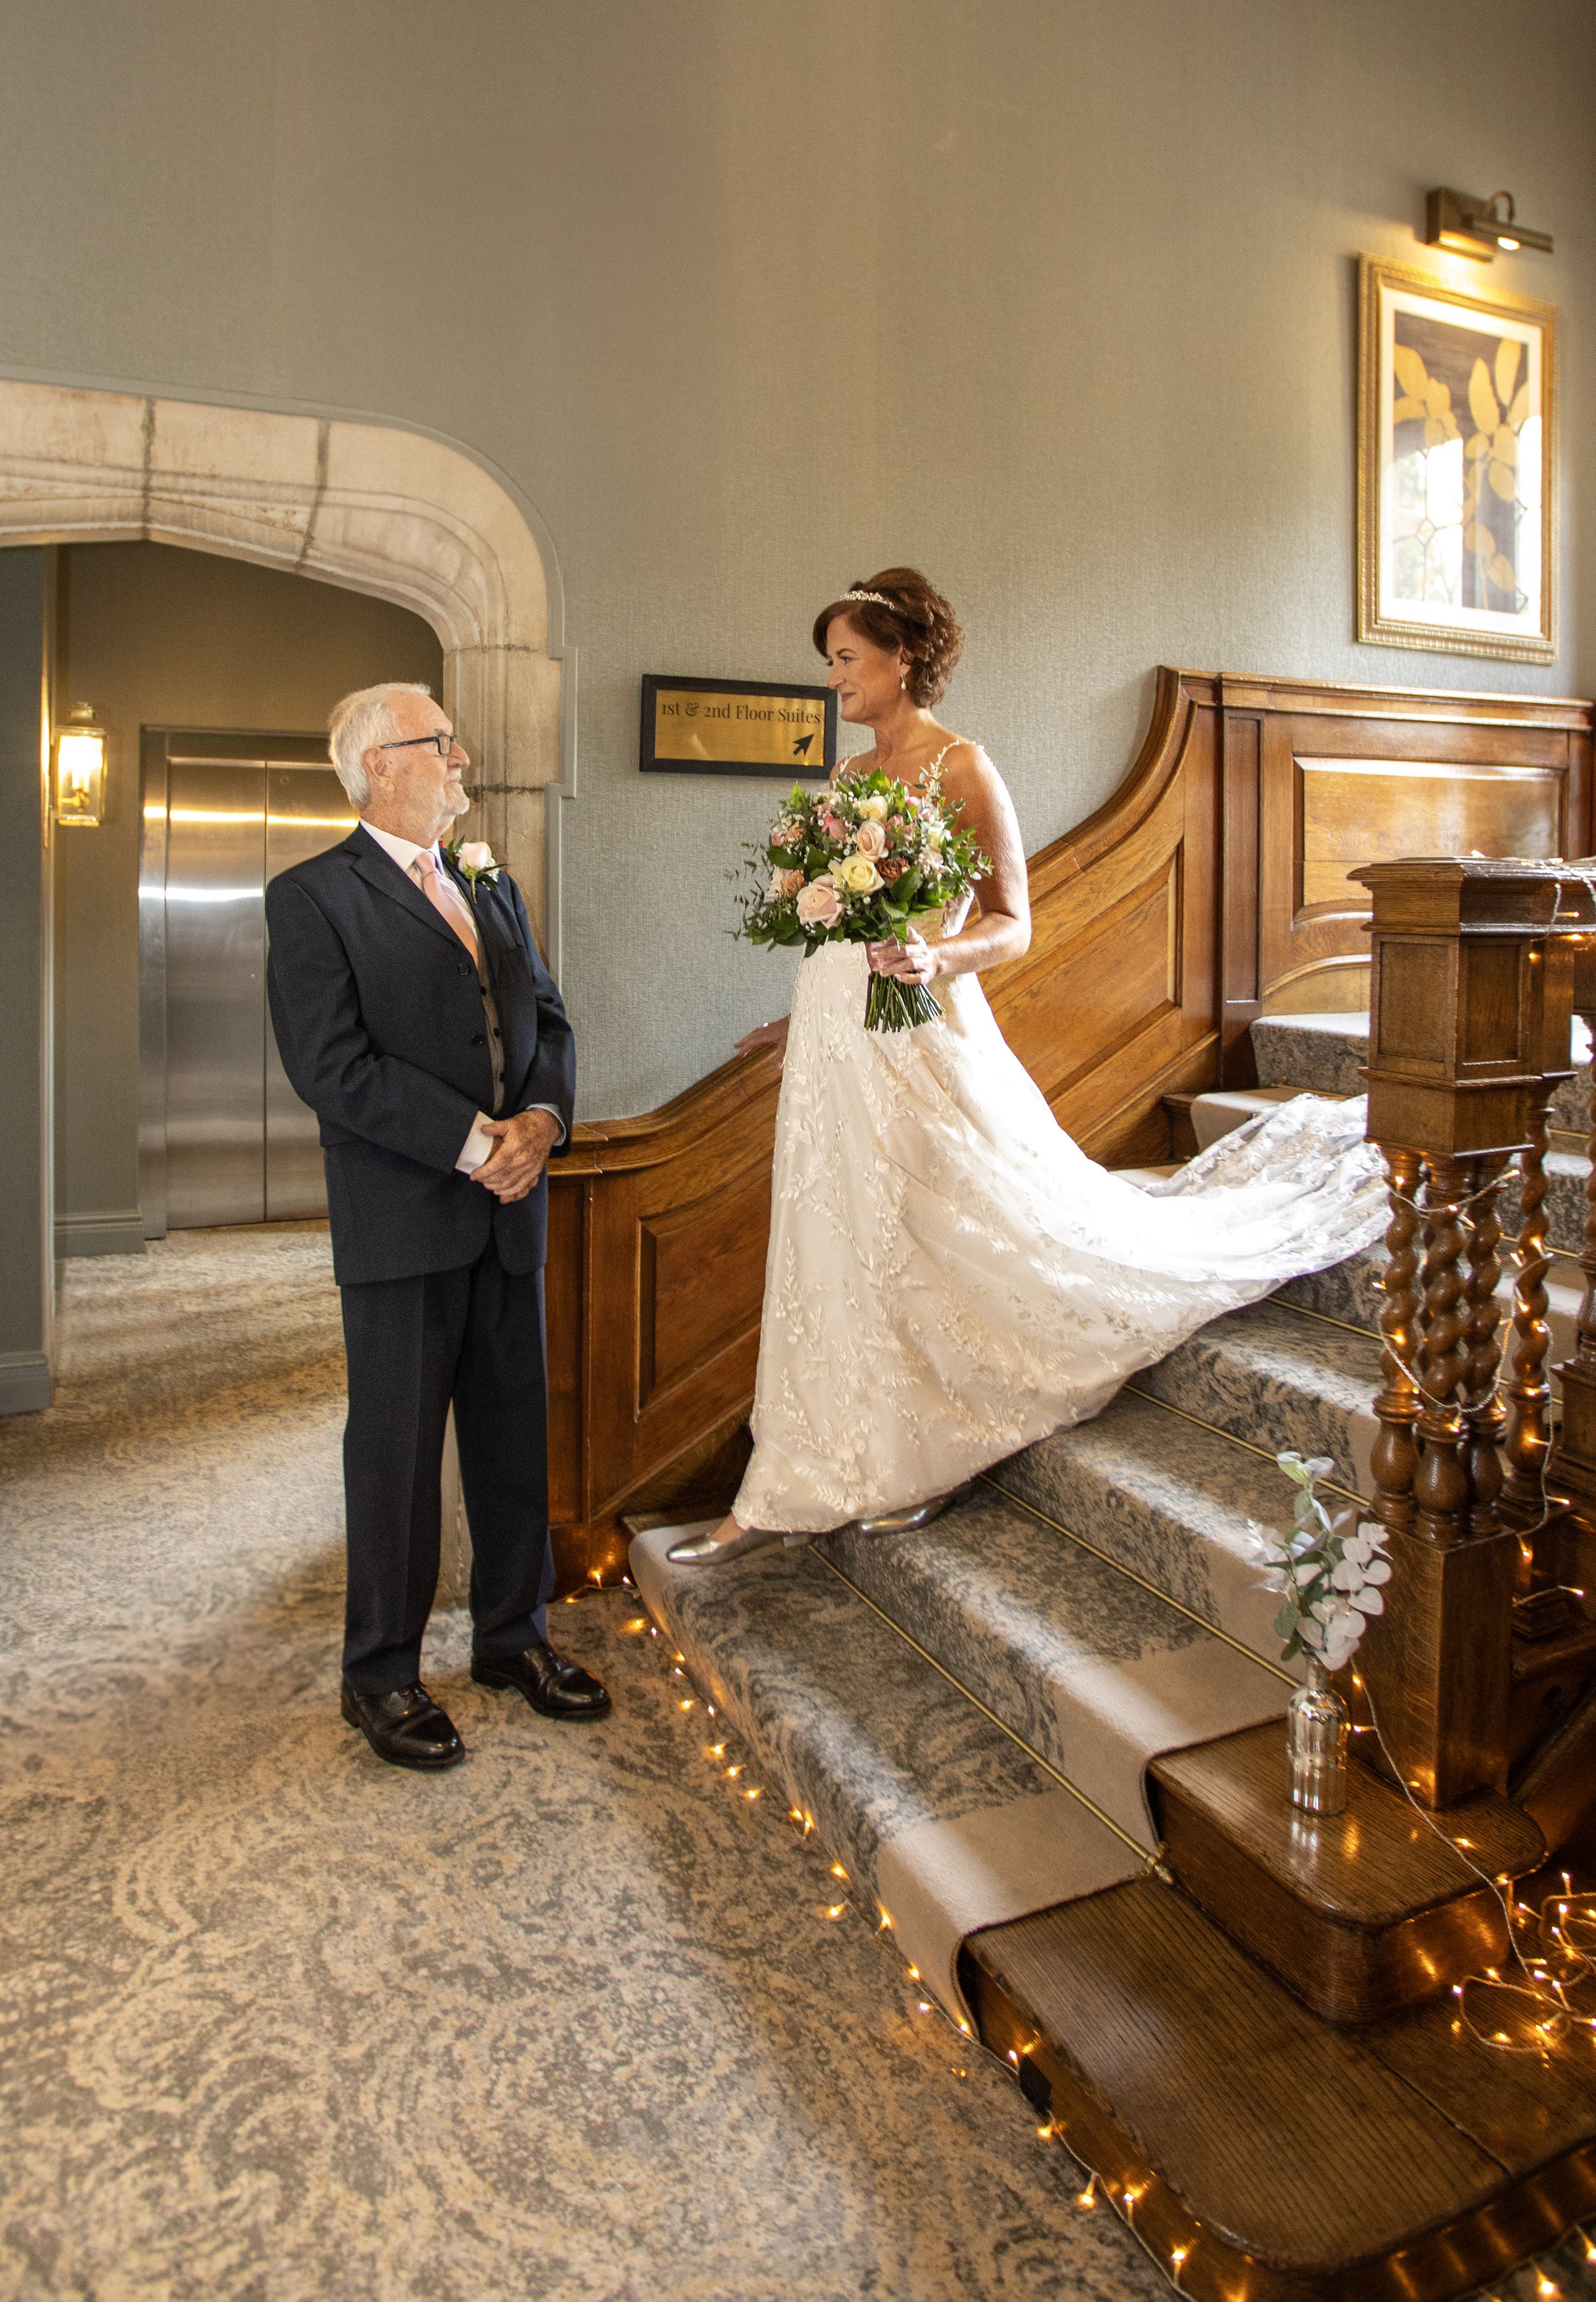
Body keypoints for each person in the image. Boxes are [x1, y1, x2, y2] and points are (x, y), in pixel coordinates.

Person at [668, 570, 1384, 1565]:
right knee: (834, 1240)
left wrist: (934, 955)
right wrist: (805, 1020)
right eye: (830, 661)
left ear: (902, 659)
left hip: (918, 1033)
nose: (834, 679)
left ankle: (921, 1453)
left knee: (927, 1234)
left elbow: (1014, 923)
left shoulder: (962, 765)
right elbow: (833, 928)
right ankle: (811, 1469)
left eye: (846, 658)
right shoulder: (845, 777)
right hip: (837, 1045)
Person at [266, 681, 608, 1767]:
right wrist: (475, 1143)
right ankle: (381, 1674)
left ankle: (513, 1637)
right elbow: (331, 1067)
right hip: (403, 1219)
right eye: (440, 743)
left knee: (513, 1439)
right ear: (379, 764)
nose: (462, 758)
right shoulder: (313, 896)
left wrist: (542, 1122)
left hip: (512, 1215)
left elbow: (545, 1017)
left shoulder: (488, 881)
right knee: (398, 1455)